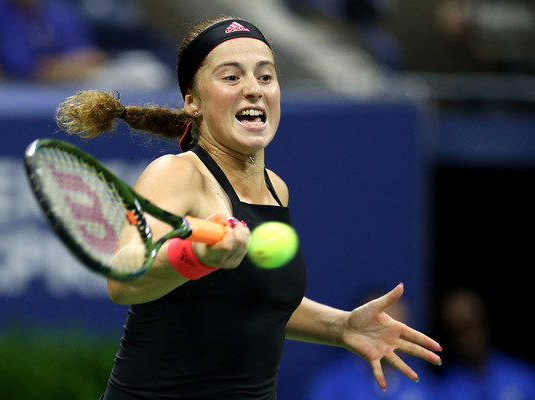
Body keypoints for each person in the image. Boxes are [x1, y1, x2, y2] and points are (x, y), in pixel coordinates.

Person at [55, 16, 442, 399]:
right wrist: (195, 254)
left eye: (265, 76)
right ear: (193, 101)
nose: (254, 89)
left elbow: (251, 303)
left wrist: (341, 327)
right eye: (231, 77)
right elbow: (123, 277)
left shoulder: (276, 189)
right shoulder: (177, 173)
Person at [305, 291, 437, 400]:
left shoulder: (420, 379)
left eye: (401, 328)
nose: (392, 338)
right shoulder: (333, 381)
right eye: (383, 327)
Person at [437, 287, 535, 400]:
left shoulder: (520, 374)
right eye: (460, 331)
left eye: (472, 326)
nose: (470, 338)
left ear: (485, 323)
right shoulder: (444, 388)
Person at [0, 0, 105, 82]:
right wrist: (61, 68)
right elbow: (16, 61)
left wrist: (61, 68)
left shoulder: (60, 10)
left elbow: (86, 54)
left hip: (64, 88)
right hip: (16, 91)